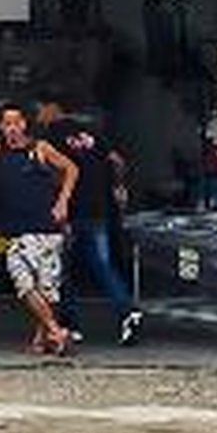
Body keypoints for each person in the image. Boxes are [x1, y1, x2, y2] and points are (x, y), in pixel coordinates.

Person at [0, 103, 78, 358]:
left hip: (46, 227)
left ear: (25, 124)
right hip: (16, 231)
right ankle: (56, 332)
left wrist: (63, 201)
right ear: (1, 127)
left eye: (16, 123)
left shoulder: (41, 148)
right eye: (7, 124)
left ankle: (41, 341)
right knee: (24, 285)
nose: (12, 128)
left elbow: (71, 168)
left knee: (45, 288)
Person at [53, 107, 141, 345]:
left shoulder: (52, 134)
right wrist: (118, 185)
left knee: (62, 270)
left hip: (70, 210)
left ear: (51, 108)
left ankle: (70, 324)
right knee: (102, 264)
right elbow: (116, 160)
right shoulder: (93, 131)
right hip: (98, 209)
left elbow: (56, 174)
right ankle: (127, 309)